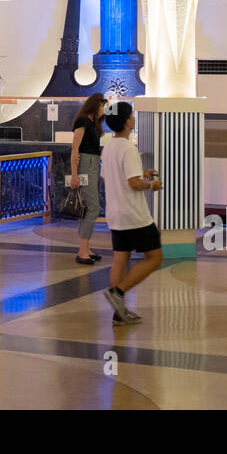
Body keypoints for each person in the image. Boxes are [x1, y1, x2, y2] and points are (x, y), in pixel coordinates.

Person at [99, 100, 161, 325]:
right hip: (134, 215)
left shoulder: (109, 147)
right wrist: (152, 185)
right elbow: (134, 183)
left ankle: (119, 313)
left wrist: (140, 172)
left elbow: (113, 175)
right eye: (132, 115)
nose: (134, 118)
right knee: (155, 257)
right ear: (127, 122)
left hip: (115, 214)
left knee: (120, 258)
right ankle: (119, 292)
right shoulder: (128, 148)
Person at [68, 92, 107, 264]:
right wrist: (74, 174)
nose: (103, 110)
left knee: (89, 208)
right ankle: (82, 251)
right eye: (102, 106)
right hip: (84, 164)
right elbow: (75, 148)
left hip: (92, 164)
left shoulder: (93, 123)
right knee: (93, 208)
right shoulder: (83, 120)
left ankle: (86, 248)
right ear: (95, 105)